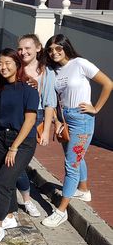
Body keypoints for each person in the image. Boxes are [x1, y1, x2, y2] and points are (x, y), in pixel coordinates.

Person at [42, 35, 112, 228]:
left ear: (66, 47)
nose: (54, 52)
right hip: (65, 118)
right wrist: (57, 120)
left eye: (58, 48)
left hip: (82, 119)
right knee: (75, 158)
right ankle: (83, 189)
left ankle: (61, 211)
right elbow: (57, 98)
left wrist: (96, 108)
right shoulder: (53, 71)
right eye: (50, 50)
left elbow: (108, 83)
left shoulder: (79, 63)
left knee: (71, 164)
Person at [0, 48, 39, 244]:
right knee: (2, 178)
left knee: (2, 182)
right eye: (0, 63)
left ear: (18, 64)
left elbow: (30, 121)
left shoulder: (29, 89)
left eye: (8, 63)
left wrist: (14, 147)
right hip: (1, 137)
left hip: (22, 142)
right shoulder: (0, 87)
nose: (3, 67)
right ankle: (9, 216)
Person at [16, 34, 57, 217]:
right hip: (13, 117)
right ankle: (19, 201)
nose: (23, 52)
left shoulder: (46, 72)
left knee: (19, 162)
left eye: (27, 48)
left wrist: (47, 130)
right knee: (11, 162)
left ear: (38, 48)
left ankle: (26, 200)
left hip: (35, 117)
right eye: (20, 49)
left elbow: (49, 103)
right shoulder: (14, 67)